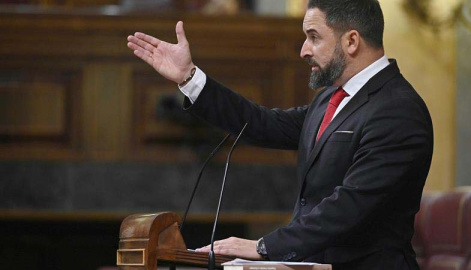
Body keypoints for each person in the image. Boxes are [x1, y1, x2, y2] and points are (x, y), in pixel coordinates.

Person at [127, 0, 434, 269]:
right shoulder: (331, 99)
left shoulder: (398, 110)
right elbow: (262, 123)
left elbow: (351, 205)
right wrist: (190, 79)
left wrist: (264, 247)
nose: (304, 50)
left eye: (314, 37)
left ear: (351, 40)